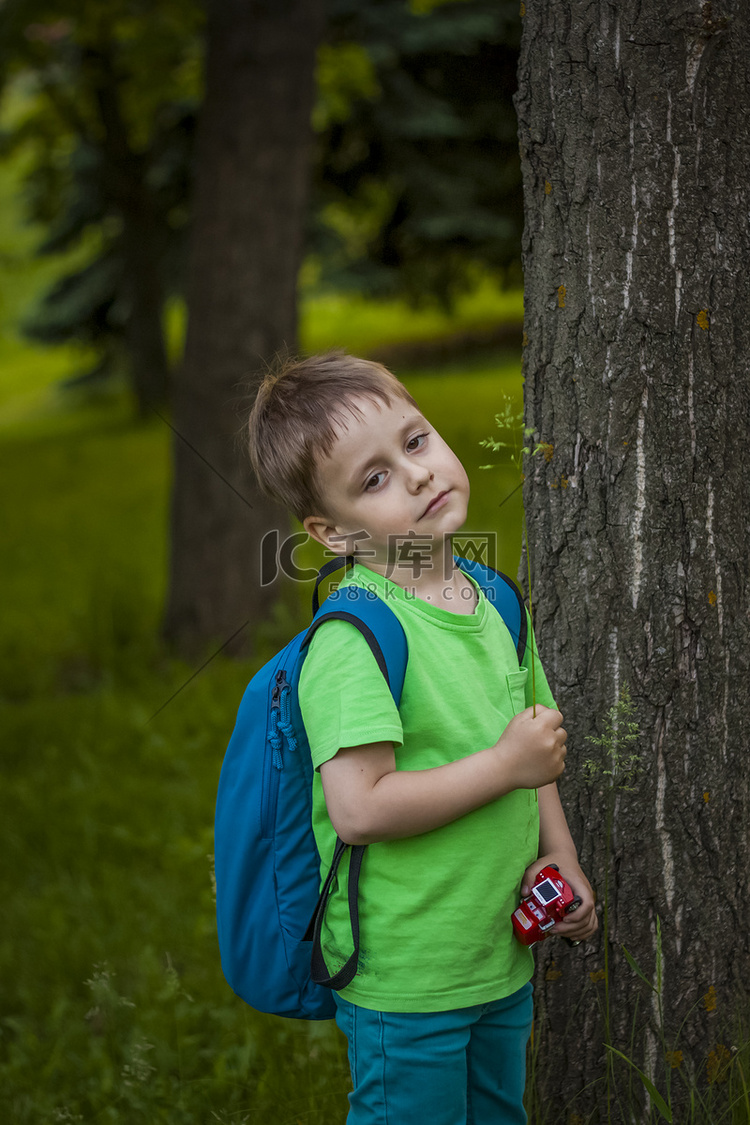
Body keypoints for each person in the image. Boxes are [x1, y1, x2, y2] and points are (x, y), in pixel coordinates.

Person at [247, 351, 598, 1125]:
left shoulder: (493, 598)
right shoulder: (356, 638)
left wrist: (561, 854)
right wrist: (503, 765)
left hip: (497, 953)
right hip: (407, 974)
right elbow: (360, 808)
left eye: (415, 441)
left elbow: (531, 745)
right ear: (331, 532)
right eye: (372, 479)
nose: (414, 474)